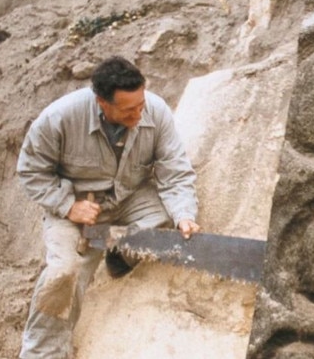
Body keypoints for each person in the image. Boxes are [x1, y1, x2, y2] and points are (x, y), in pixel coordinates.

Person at [16, 56, 201, 358]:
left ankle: (118, 254)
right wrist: (68, 206)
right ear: (102, 102)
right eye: (129, 110)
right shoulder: (59, 119)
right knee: (64, 274)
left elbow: (175, 172)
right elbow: (30, 172)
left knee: (163, 223)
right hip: (76, 208)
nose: (139, 115)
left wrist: (184, 215)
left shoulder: (155, 110)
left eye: (141, 104)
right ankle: (41, 353)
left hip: (129, 198)